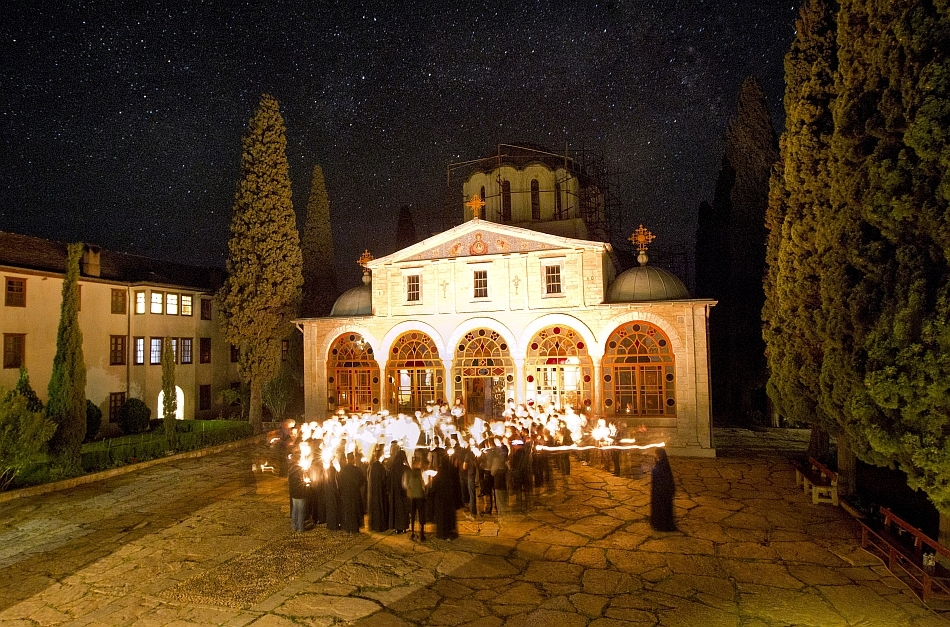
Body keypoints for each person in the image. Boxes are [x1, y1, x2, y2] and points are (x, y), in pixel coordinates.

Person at [338, 453, 367, 534]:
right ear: (353, 459)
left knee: (347, 511)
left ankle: (348, 527)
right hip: (355, 493)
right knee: (355, 510)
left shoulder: (343, 470)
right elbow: (362, 481)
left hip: (346, 494)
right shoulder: (357, 470)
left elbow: (339, 482)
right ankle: (355, 527)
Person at [650, 448, 676, 531]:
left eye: (656, 454)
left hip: (661, 492)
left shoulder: (661, 466)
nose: (654, 455)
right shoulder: (663, 463)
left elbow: (660, 478)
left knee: (662, 509)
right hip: (661, 491)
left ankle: (662, 525)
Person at [403, 454, 427, 541]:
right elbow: (423, 483)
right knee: (421, 514)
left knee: (412, 515)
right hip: (420, 495)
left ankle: (412, 532)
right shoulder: (420, 472)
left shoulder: (408, 472)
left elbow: (405, 484)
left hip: (411, 496)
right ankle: (421, 532)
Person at [367, 444, 389, 532]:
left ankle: (374, 525)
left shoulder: (371, 467)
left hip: (373, 491)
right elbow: (384, 480)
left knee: (374, 508)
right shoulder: (381, 467)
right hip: (380, 491)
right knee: (380, 508)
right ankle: (380, 526)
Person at [388, 448, 411, 533]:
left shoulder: (392, 469)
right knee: (403, 510)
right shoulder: (405, 468)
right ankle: (404, 527)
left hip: (395, 493)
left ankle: (396, 527)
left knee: (396, 510)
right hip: (403, 493)